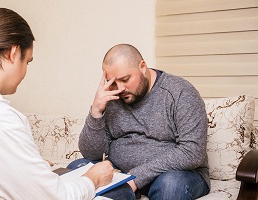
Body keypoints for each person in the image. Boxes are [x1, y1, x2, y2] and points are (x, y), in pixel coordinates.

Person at [0, 8, 114, 200]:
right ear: (13, 53)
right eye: (28, 62)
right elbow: (57, 197)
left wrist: (29, 169)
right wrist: (93, 179)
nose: (25, 71)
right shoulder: (2, 121)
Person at [68, 44, 210, 199]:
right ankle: (125, 192)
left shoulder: (180, 92)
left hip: (175, 174)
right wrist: (96, 112)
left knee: (170, 185)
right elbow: (91, 154)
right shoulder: (112, 96)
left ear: (142, 67)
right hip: (121, 172)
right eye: (113, 82)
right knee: (78, 169)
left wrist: (137, 177)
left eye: (125, 79)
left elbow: (192, 152)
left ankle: (128, 189)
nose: (120, 88)